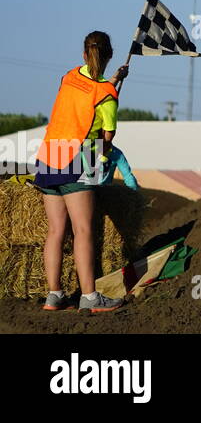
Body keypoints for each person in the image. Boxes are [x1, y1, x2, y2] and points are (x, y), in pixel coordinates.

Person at [32, 31, 129, 313]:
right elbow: (106, 137)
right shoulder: (107, 96)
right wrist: (112, 89)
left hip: (49, 156)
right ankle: (89, 296)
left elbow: (86, 91)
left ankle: (54, 296)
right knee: (83, 230)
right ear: (109, 56)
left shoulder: (69, 76)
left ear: (84, 54)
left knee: (55, 231)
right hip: (77, 159)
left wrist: (111, 82)